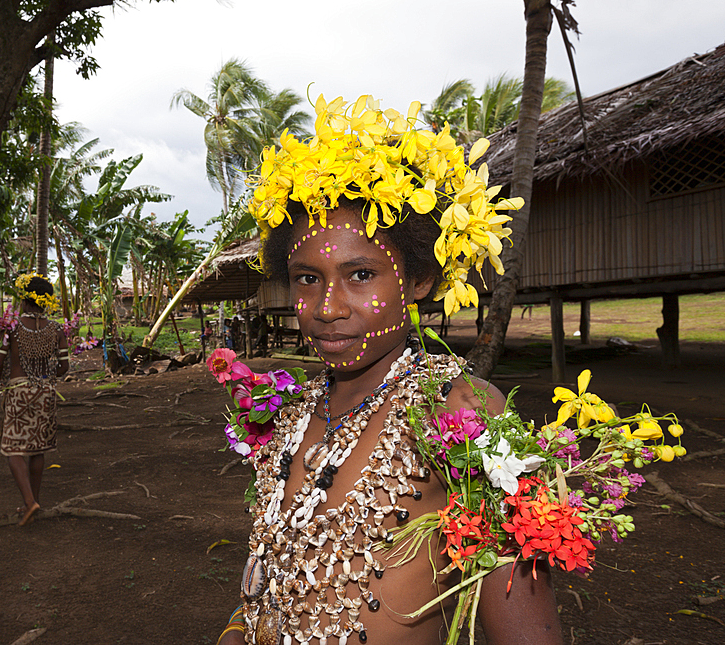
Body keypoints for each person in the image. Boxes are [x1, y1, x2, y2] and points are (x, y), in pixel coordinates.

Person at [216, 95, 560, 645]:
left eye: (359, 274)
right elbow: (263, 587)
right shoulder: (291, 421)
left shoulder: (462, 413)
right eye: (307, 278)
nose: (327, 307)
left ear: (419, 280)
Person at [0, 274, 69, 526]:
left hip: (19, 392)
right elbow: (63, 367)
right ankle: (32, 502)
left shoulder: (11, 328)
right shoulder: (57, 330)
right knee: (39, 449)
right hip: (45, 393)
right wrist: (44, 376)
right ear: (46, 303)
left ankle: (30, 502)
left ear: (24, 301)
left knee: (14, 449)